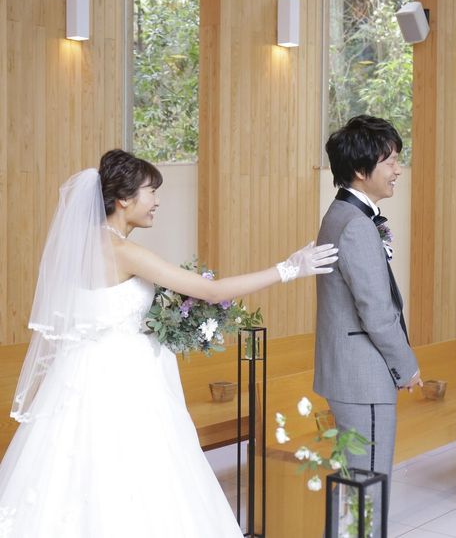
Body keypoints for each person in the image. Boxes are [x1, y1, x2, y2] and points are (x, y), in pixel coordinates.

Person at [0, 149, 338, 537]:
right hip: (127, 384)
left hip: (78, 377)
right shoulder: (123, 251)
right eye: (151, 191)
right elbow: (212, 292)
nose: (157, 201)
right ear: (123, 198)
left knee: (71, 477)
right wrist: (289, 268)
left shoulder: (80, 248)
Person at [314, 115, 421, 530]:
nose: (398, 170)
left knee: (356, 484)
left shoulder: (342, 214)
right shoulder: (356, 224)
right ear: (361, 170)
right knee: (368, 484)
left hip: (349, 372)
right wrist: (406, 365)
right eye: (390, 161)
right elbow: (375, 312)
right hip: (363, 377)